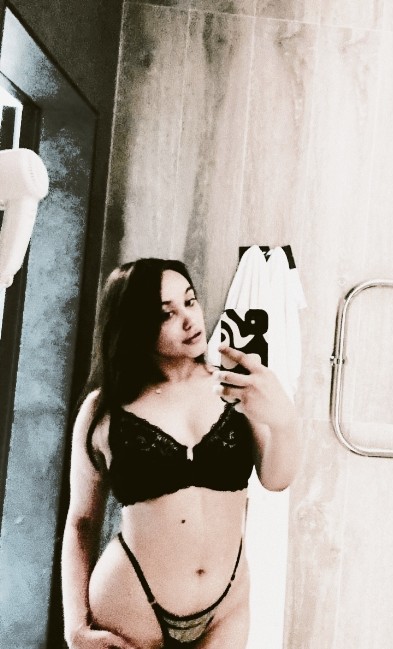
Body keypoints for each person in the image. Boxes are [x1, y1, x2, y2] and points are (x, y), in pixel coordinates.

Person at [61, 257, 299, 649]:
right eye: (167, 314)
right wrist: (75, 627)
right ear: (135, 326)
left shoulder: (234, 386)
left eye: (190, 301)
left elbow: (277, 479)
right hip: (132, 607)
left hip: (226, 609)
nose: (190, 320)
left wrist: (284, 420)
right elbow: (82, 521)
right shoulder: (104, 410)